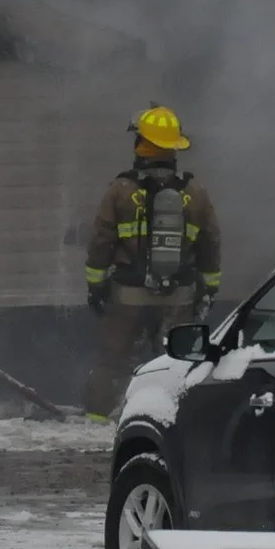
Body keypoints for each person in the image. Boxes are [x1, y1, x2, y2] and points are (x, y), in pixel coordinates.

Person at [81, 106, 223, 418]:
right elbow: (210, 244)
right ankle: (178, 419)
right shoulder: (195, 192)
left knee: (112, 363)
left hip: (127, 297)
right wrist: (209, 290)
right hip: (179, 296)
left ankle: (96, 423)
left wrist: (96, 287)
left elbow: (101, 242)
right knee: (178, 363)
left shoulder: (120, 190)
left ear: (142, 145)